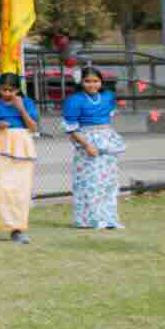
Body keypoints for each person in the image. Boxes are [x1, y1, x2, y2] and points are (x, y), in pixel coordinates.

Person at [61, 67, 126, 230]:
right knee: (90, 183)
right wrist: (87, 145)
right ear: (80, 82)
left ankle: (109, 218)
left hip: (107, 139)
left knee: (109, 182)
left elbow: (109, 116)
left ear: (101, 82)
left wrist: (106, 137)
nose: (92, 84)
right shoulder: (74, 100)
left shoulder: (108, 96)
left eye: (95, 81)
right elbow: (71, 128)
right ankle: (90, 219)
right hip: (86, 140)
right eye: (87, 81)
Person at [0, 73, 39, 244]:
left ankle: (18, 229)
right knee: (2, 188)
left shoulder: (27, 103)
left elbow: (33, 127)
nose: (7, 93)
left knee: (21, 190)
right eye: (3, 89)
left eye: (11, 90)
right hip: (3, 146)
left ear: (17, 89)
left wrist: (21, 108)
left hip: (24, 147)